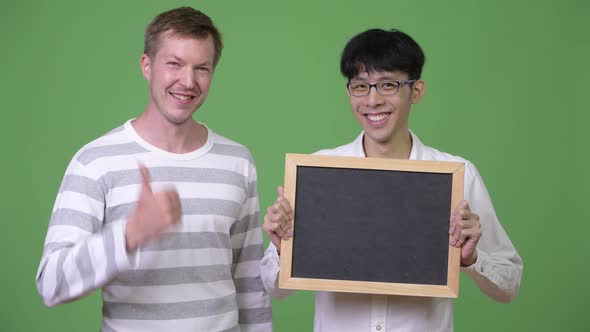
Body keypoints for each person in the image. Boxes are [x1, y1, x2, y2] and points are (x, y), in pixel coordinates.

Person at [260, 29, 523, 331]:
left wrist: (471, 258)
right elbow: (275, 289)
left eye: (387, 85)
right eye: (360, 86)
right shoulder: (317, 173)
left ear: (417, 91)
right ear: (349, 93)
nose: (372, 100)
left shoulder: (456, 175)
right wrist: (284, 248)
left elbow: (509, 286)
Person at [35, 7, 271, 332]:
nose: (188, 82)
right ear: (147, 65)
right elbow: (52, 284)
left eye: (201, 68)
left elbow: (250, 285)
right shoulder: (95, 161)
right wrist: (129, 234)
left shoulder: (237, 161)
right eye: (174, 64)